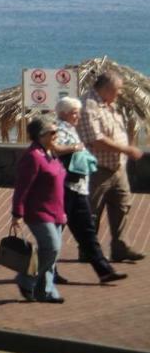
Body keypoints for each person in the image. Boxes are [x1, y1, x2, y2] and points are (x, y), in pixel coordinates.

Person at [53, 97, 127, 284]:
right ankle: (44, 271)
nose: (78, 116)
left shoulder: (70, 128)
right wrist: (75, 147)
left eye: (77, 112)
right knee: (55, 233)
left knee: (87, 232)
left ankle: (104, 271)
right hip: (66, 189)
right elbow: (54, 149)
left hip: (79, 189)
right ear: (64, 113)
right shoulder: (59, 128)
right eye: (74, 112)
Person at [79, 70, 145, 262]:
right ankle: (87, 250)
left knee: (122, 206)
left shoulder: (109, 104)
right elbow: (95, 139)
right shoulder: (88, 106)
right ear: (106, 88)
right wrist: (126, 149)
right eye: (117, 89)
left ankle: (120, 248)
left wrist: (124, 150)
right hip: (96, 168)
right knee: (92, 210)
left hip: (117, 167)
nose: (120, 93)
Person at [10, 114, 67, 302]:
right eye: (53, 131)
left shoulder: (51, 153)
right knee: (51, 248)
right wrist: (17, 213)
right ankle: (26, 279)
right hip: (38, 212)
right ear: (41, 135)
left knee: (53, 253)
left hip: (56, 211)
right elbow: (22, 188)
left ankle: (46, 291)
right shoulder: (33, 156)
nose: (57, 134)